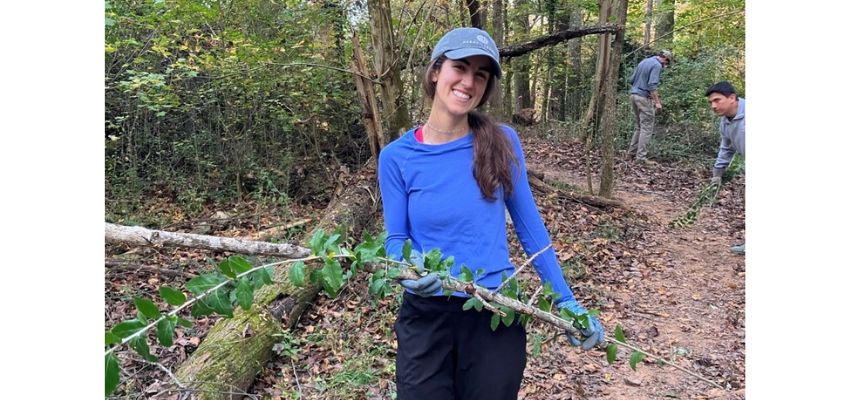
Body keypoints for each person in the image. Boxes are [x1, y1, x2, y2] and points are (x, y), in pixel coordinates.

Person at [377, 27, 605, 400]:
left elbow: (531, 232)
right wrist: (407, 267)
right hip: (426, 318)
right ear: (436, 70)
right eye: (460, 68)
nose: (469, 81)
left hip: (495, 313)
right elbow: (396, 240)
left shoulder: (501, 142)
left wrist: (566, 301)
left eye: (480, 75)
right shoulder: (396, 157)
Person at [705, 81, 745, 255]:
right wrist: (717, 174)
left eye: (717, 100)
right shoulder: (725, 122)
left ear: (732, 98)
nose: (713, 106)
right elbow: (726, 148)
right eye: (711, 102)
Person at [626, 49, 672, 163]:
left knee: (639, 126)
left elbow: (631, 80)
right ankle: (640, 158)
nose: (665, 65)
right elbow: (652, 85)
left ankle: (631, 154)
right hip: (643, 98)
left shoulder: (644, 61)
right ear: (665, 59)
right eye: (667, 63)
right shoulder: (657, 65)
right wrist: (657, 102)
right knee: (646, 128)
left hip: (633, 95)